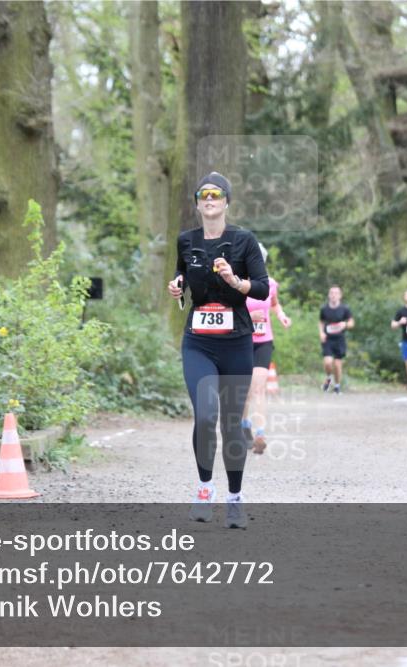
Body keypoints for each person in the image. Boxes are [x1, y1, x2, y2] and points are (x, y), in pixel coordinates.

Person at [167, 172, 268, 529]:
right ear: (197, 203)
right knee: (206, 415)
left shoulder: (244, 241)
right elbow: (182, 272)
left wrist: (234, 281)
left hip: (237, 341)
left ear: (226, 202)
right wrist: (178, 286)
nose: (210, 199)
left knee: (229, 423)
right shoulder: (186, 240)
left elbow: (261, 288)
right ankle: (204, 489)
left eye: (216, 194)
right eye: (203, 195)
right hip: (198, 341)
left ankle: (235, 499)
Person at [243, 243, 291, 454]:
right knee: (243, 392)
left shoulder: (270, 284)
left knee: (258, 389)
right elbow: (228, 311)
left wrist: (281, 316)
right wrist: (247, 317)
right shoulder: (237, 284)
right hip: (241, 341)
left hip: (263, 341)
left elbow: (274, 303)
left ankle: (260, 433)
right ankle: (245, 428)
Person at [318, 285, 354, 394]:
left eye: (336, 293)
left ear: (340, 295)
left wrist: (346, 324)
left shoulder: (345, 309)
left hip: (339, 340)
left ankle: (337, 386)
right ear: (329, 295)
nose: (333, 295)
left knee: (338, 365)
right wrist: (321, 333)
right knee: (328, 362)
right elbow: (321, 322)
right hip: (328, 339)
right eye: (331, 293)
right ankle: (329, 378)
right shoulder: (324, 309)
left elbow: (352, 323)